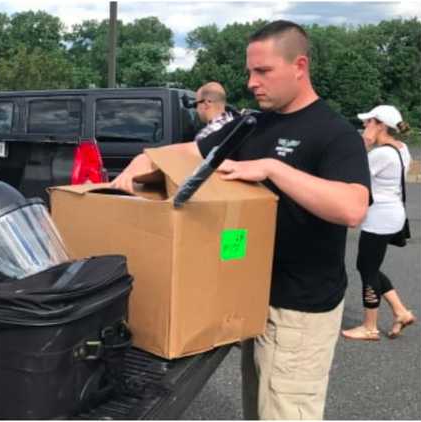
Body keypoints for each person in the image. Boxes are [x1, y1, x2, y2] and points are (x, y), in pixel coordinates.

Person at [112, 20, 370, 420]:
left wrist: (273, 169)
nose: (252, 82)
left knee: (286, 410)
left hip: (299, 308)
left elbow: (353, 207)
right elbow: (192, 151)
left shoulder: (334, 133)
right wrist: (143, 160)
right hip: (250, 295)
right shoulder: (253, 124)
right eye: (250, 71)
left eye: (263, 71)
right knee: (258, 406)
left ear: (299, 66)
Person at [341, 105, 416, 341]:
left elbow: (351, 175)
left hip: (379, 218)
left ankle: (370, 327)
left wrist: (363, 145)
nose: (364, 126)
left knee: (367, 269)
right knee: (369, 266)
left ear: (380, 125)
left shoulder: (380, 154)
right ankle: (401, 312)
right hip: (393, 214)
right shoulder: (402, 149)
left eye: (368, 122)